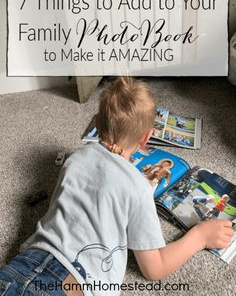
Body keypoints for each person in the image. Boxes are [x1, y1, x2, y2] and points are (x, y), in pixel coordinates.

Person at [0, 77, 234, 296]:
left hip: (22, 265)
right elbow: (154, 268)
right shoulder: (138, 186)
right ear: (146, 138)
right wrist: (199, 237)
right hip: (72, 284)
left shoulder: (74, 160)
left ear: (97, 122)